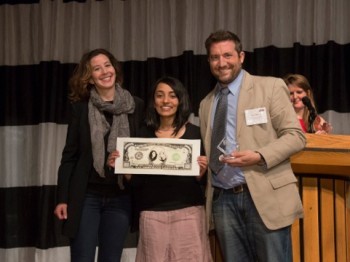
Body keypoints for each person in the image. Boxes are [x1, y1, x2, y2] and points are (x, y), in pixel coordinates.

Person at [199, 30, 306, 262]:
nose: (222, 62)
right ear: (208, 61)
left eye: (227, 55)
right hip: (223, 199)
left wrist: (259, 155)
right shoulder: (206, 104)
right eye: (215, 57)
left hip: (263, 195)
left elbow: (296, 135)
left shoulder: (270, 87)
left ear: (241, 56)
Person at [108, 76, 213, 262]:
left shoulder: (196, 133)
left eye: (172, 96)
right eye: (160, 95)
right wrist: (123, 166)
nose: (166, 101)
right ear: (153, 101)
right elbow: (137, 182)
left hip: (188, 214)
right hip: (152, 215)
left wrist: (201, 173)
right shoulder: (142, 134)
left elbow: (202, 182)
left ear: (180, 101)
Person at [54, 48, 144, 262]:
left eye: (107, 65)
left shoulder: (136, 105)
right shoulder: (80, 109)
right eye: (97, 68)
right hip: (86, 197)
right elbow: (70, 157)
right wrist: (62, 199)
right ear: (90, 78)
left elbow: (142, 148)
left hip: (121, 197)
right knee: (82, 257)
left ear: (114, 69)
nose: (104, 71)